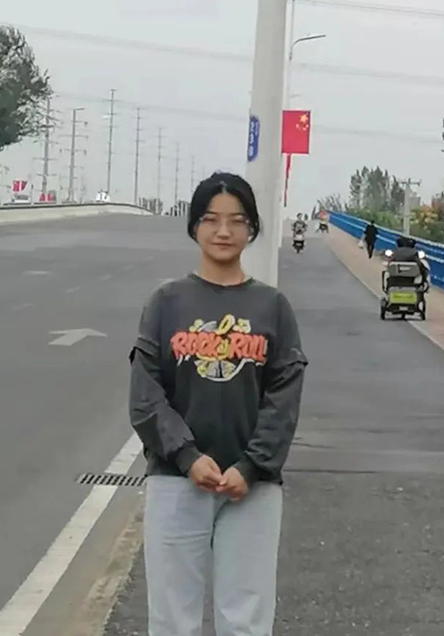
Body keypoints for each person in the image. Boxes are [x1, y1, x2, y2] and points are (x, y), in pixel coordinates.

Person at [129, 172, 307, 636]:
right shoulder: (166, 303)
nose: (223, 231)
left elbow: (284, 397)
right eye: (211, 219)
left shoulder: (272, 307)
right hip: (176, 481)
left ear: (252, 228)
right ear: (194, 227)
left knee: (246, 620)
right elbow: (146, 395)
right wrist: (187, 457)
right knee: (172, 620)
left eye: (236, 220)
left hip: (251, 488)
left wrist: (252, 466)